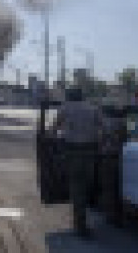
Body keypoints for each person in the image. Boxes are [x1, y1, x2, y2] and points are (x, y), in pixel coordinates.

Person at [52, 87, 104, 237]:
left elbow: (54, 130)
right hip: (90, 153)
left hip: (72, 153)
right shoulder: (93, 108)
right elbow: (103, 130)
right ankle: (82, 222)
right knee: (85, 187)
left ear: (69, 96)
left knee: (76, 189)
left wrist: (55, 139)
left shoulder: (65, 108)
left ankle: (80, 226)